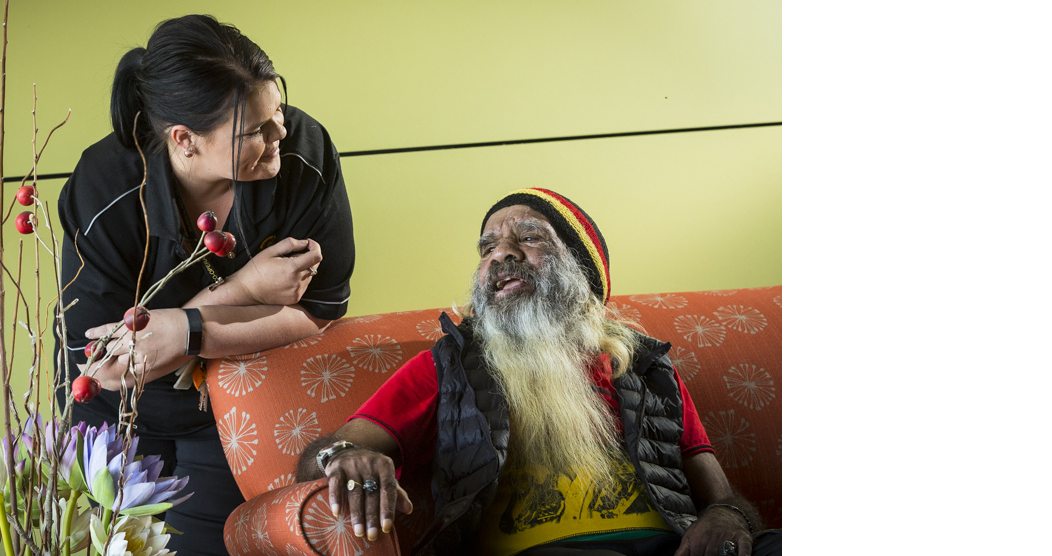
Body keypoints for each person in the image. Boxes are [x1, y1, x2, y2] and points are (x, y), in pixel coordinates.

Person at [297, 189, 779, 556]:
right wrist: (343, 456)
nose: (501, 254)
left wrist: (728, 515)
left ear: (582, 270)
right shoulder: (449, 367)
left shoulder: (645, 365)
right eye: (488, 248)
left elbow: (721, 496)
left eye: (528, 238)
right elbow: (319, 455)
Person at [54, 14, 355, 555]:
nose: (279, 134)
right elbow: (105, 364)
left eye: (278, 112)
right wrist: (244, 288)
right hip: (114, 417)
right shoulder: (106, 191)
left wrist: (186, 330)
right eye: (255, 131)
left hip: (236, 407)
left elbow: (319, 311)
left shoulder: (303, 155)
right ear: (184, 140)